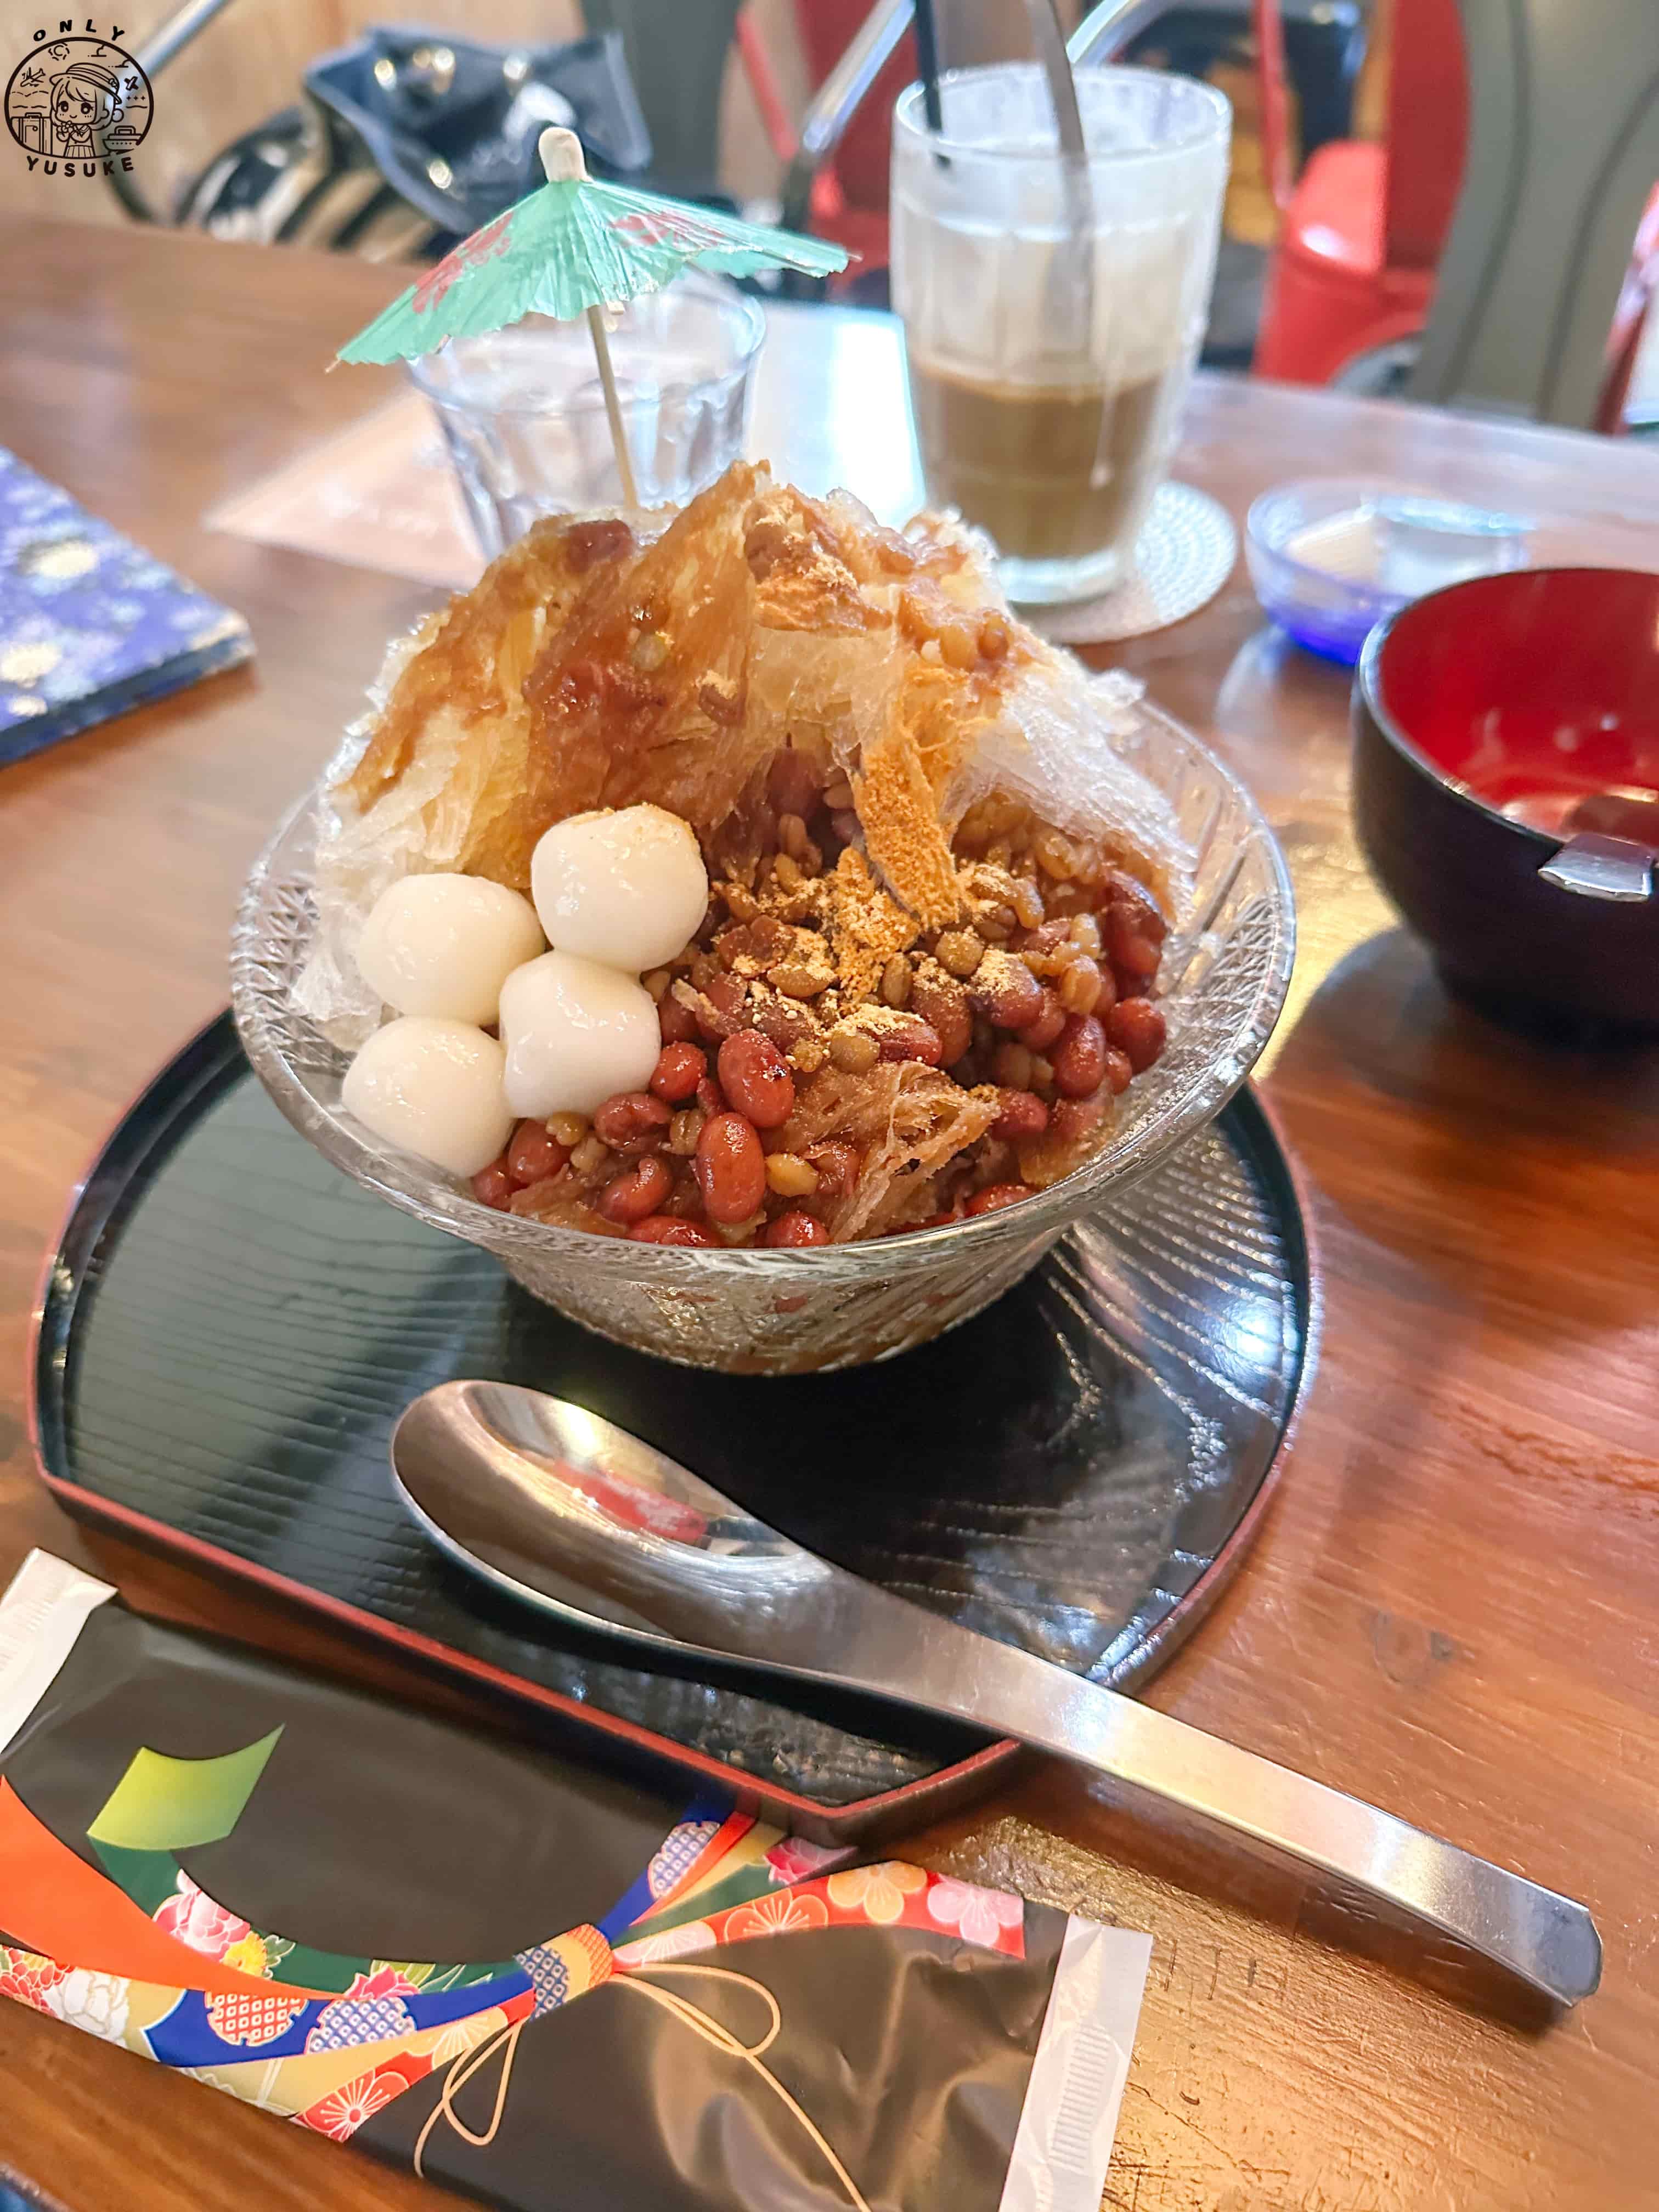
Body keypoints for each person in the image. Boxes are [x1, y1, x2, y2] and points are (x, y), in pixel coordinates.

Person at [48, 58, 119, 159]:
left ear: (103, 112)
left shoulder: (85, 129)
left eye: (85, 109)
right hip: (71, 150)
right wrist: (63, 133)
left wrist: (71, 131)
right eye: (64, 107)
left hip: (84, 150)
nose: (73, 115)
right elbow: (62, 138)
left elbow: (81, 138)